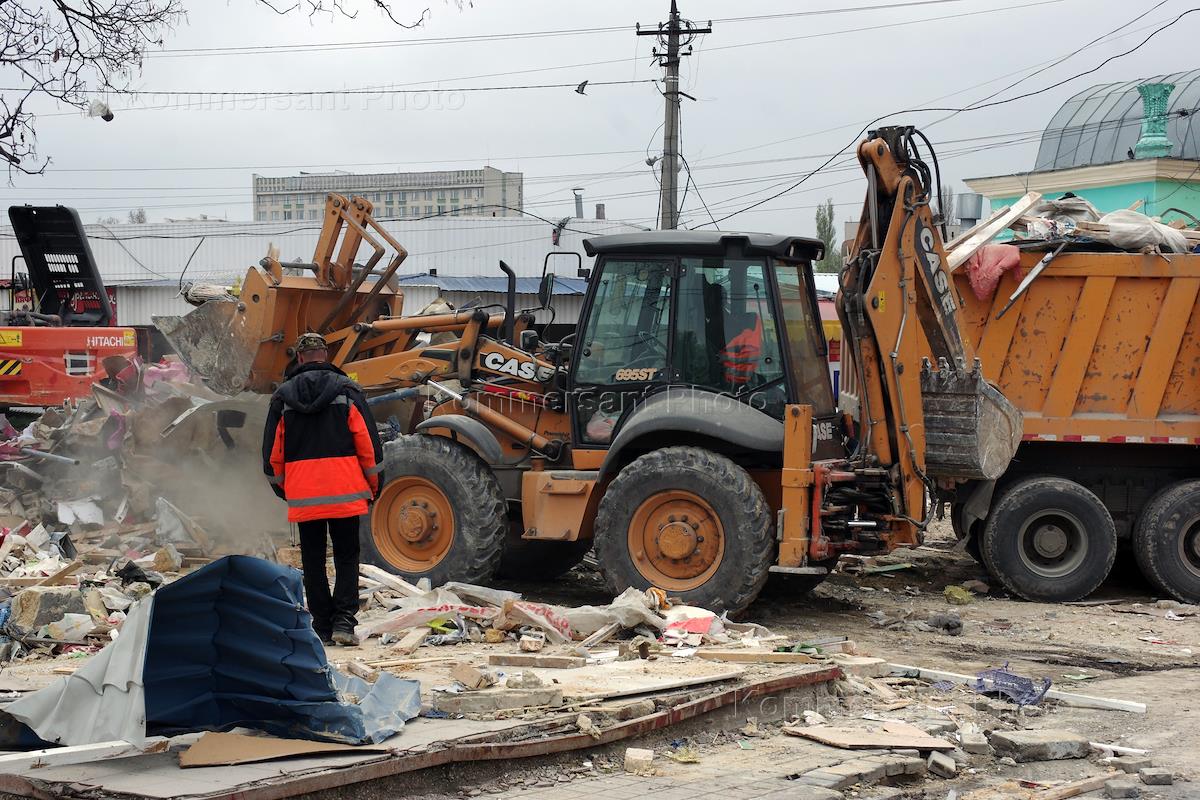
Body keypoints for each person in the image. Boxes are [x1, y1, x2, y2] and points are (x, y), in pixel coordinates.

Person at [262, 333, 384, 646]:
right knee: (346, 556)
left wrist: (286, 489)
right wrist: (374, 486)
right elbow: (367, 444)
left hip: (305, 494)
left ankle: (321, 626)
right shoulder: (347, 390)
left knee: (313, 559)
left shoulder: (282, 397)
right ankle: (344, 622)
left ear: (299, 358)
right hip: (346, 491)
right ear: (325, 355)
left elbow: (273, 455)